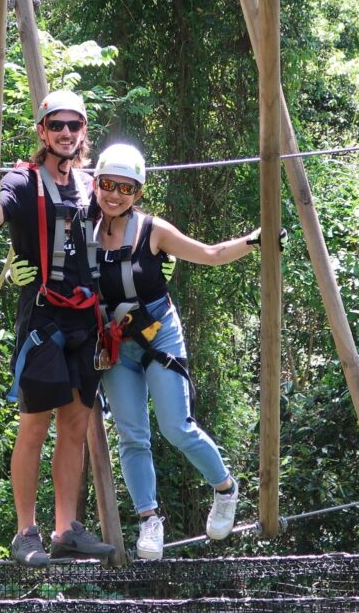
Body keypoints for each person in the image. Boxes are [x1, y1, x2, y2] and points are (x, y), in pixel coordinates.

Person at [91, 142, 286, 560]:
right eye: (108, 184)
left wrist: (254, 241)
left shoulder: (152, 230)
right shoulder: (80, 227)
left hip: (159, 335)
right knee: (131, 435)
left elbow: (210, 254)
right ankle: (149, 520)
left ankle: (225, 488)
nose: (115, 194)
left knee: (175, 426)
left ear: (138, 193)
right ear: (95, 183)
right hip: (115, 344)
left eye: (126, 188)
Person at [0, 89, 114, 567]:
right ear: (43, 132)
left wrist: (152, 263)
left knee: (77, 423)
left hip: (87, 319)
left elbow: (126, 226)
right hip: (43, 315)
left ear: (83, 132)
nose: (66, 133)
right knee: (34, 424)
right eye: (57, 126)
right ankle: (26, 532)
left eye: (74, 126)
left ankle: (65, 529)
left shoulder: (91, 185)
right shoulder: (24, 180)